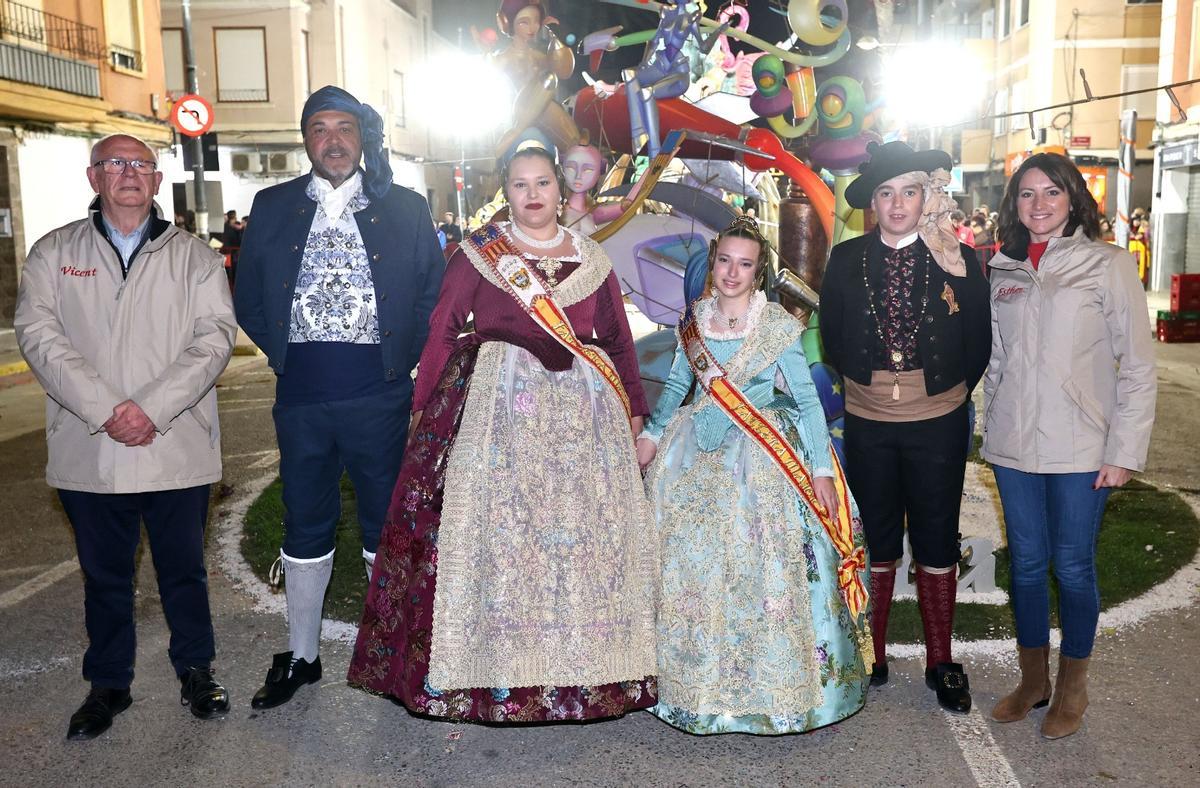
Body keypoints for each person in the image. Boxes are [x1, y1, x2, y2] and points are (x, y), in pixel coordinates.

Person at [348, 143, 657, 723]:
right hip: (498, 410)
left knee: (583, 541)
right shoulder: (479, 255)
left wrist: (634, 405)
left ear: (561, 191)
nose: (533, 194)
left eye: (543, 183)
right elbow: (442, 331)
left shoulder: (592, 260)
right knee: (504, 534)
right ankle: (493, 669)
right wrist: (423, 404)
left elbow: (617, 340)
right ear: (506, 191)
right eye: (520, 184)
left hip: (583, 420)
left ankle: (589, 666)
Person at [14, 134, 237, 739]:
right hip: (93, 447)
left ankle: (196, 669)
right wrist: (109, 408)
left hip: (174, 446)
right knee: (105, 578)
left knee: (184, 573)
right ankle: (108, 684)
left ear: (158, 182)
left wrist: (150, 409)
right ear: (94, 178)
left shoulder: (193, 256)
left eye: (141, 164)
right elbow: (38, 336)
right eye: (116, 163)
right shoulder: (54, 253)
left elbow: (214, 339)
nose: (130, 173)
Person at [234, 86, 445, 709]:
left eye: (344, 127)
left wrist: (397, 369)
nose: (332, 139)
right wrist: (284, 357)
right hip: (300, 396)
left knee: (385, 520)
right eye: (319, 128)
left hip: (377, 397)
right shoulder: (271, 206)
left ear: (362, 136)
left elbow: (431, 298)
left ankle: (388, 654)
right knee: (305, 518)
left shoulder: (405, 208)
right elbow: (247, 298)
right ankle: (301, 656)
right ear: (306, 139)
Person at [636, 217, 872, 735]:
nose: (732, 272)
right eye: (724, 261)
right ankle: (690, 685)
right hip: (694, 449)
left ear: (759, 270)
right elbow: (678, 385)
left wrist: (818, 470)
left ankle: (770, 687)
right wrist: (652, 435)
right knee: (690, 562)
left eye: (744, 264)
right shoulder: (694, 321)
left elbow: (808, 401)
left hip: (764, 458)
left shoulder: (779, 328)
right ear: (713, 262)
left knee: (759, 562)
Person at [983, 153, 1156, 740]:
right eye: (1027, 195)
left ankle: (1073, 687)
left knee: (1073, 567)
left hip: (1083, 447)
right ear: (1015, 205)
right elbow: (998, 360)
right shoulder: (1002, 269)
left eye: (1051, 193)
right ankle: (1034, 682)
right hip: (1014, 447)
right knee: (1028, 568)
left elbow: (1136, 366)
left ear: (1073, 198)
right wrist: (992, 421)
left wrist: (1124, 450)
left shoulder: (1108, 265)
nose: (1038, 205)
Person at [819, 141, 991, 713]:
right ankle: (873, 653)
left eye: (909, 192)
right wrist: (866, 389)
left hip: (937, 421)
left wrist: (936, 395)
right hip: (868, 421)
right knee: (878, 537)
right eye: (886, 194)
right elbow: (833, 337)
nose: (897, 205)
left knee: (938, 536)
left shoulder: (959, 261)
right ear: (873, 203)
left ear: (926, 197)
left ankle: (942, 660)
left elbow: (978, 348)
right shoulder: (845, 259)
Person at [220, 209, 244, 286]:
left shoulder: (225, 226)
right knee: (233, 271)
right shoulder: (234, 228)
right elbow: (237, 241)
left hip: (226, 252)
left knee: (228, 271)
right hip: (233, 252)